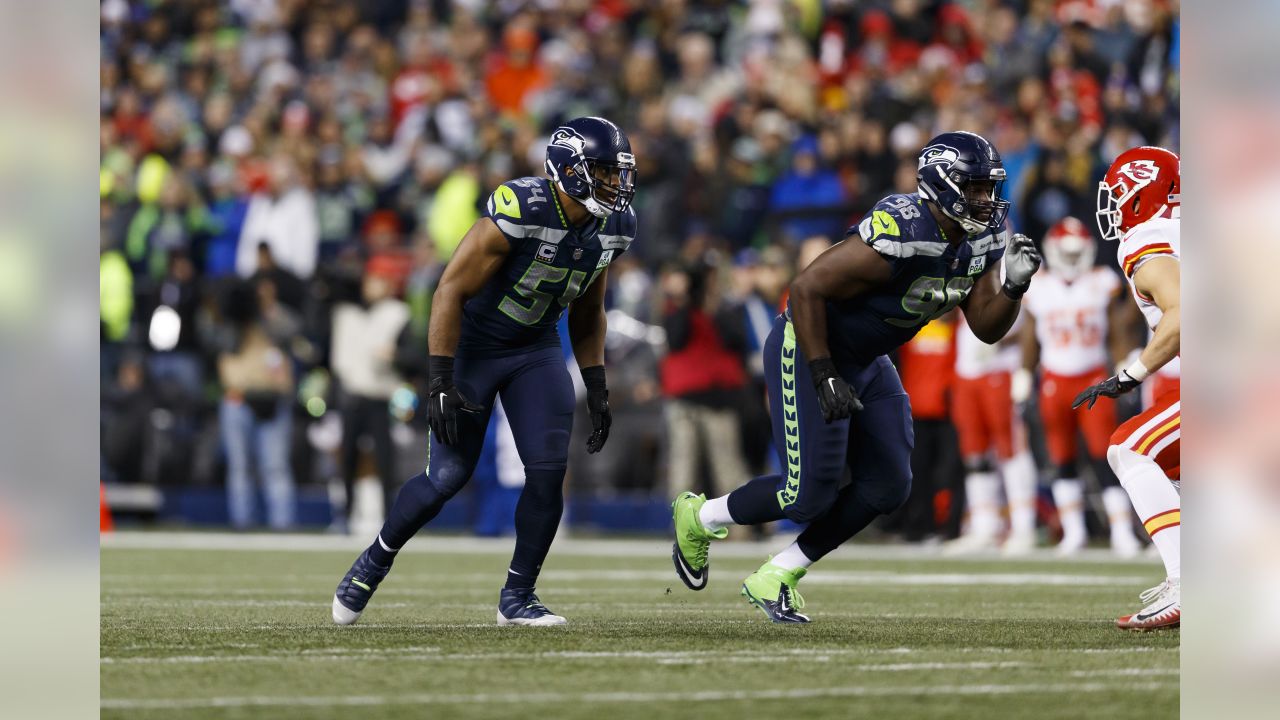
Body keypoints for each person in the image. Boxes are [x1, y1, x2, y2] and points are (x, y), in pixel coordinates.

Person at [671, 131, 1042, 622]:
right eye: (973, 188)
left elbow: (985, 327)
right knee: (804, 496)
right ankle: (699, 517)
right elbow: (805, 289)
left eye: (989, 188)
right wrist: (823, 374)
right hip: (808, 346)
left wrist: (1013, 287)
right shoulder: (903, 228)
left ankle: (777, 572)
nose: (985, 199)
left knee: (889, 483)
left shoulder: (981, 236)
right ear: (941, 185)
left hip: (868, 359)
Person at [331, 117, 637, 627]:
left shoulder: (615, 226)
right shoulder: (523, 208)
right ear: (569, 168)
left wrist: (597, 382)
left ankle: (518, 597)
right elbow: (449, 289)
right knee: (447, 477)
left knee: (547, 472)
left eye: (618, 172)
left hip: (535, 347)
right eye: (604, 171)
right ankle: (376, 557)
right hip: (475, 345)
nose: (615, 183)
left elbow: (589, 310)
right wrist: (439, 380)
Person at [1074, 146, 1181, 630]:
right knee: (1177, 470)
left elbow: (1184, 312)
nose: (1113, 203)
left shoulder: (1148, 237)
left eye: (1118, 193)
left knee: (1129, 448)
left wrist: (1130, 375)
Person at [1021, 217, 1141, 557]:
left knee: (1104, 454)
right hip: (1054, 380)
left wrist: (1122, 366)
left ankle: (1121, 532)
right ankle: (1073, 533)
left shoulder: (1101, 281)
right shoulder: (1039, 286)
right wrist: (1024, 373)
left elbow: (1117, 330)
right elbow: (1031, 338)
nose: (1073, 260)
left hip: (1093, 378)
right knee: (1061, 456)